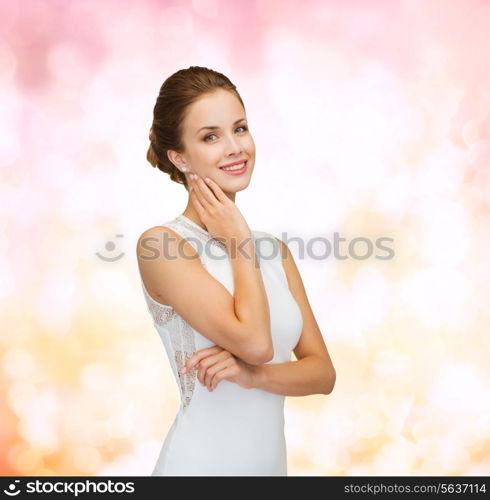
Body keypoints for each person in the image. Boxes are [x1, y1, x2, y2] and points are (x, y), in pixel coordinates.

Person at [136, 66, 336, 476]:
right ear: (179, 157)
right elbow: (255, 342)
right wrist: (238, 241)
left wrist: (254, 377)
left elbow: (322, 373)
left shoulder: (274, 251)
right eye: (211, 137)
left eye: (240, 129)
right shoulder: (162, 245)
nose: (235, 148)